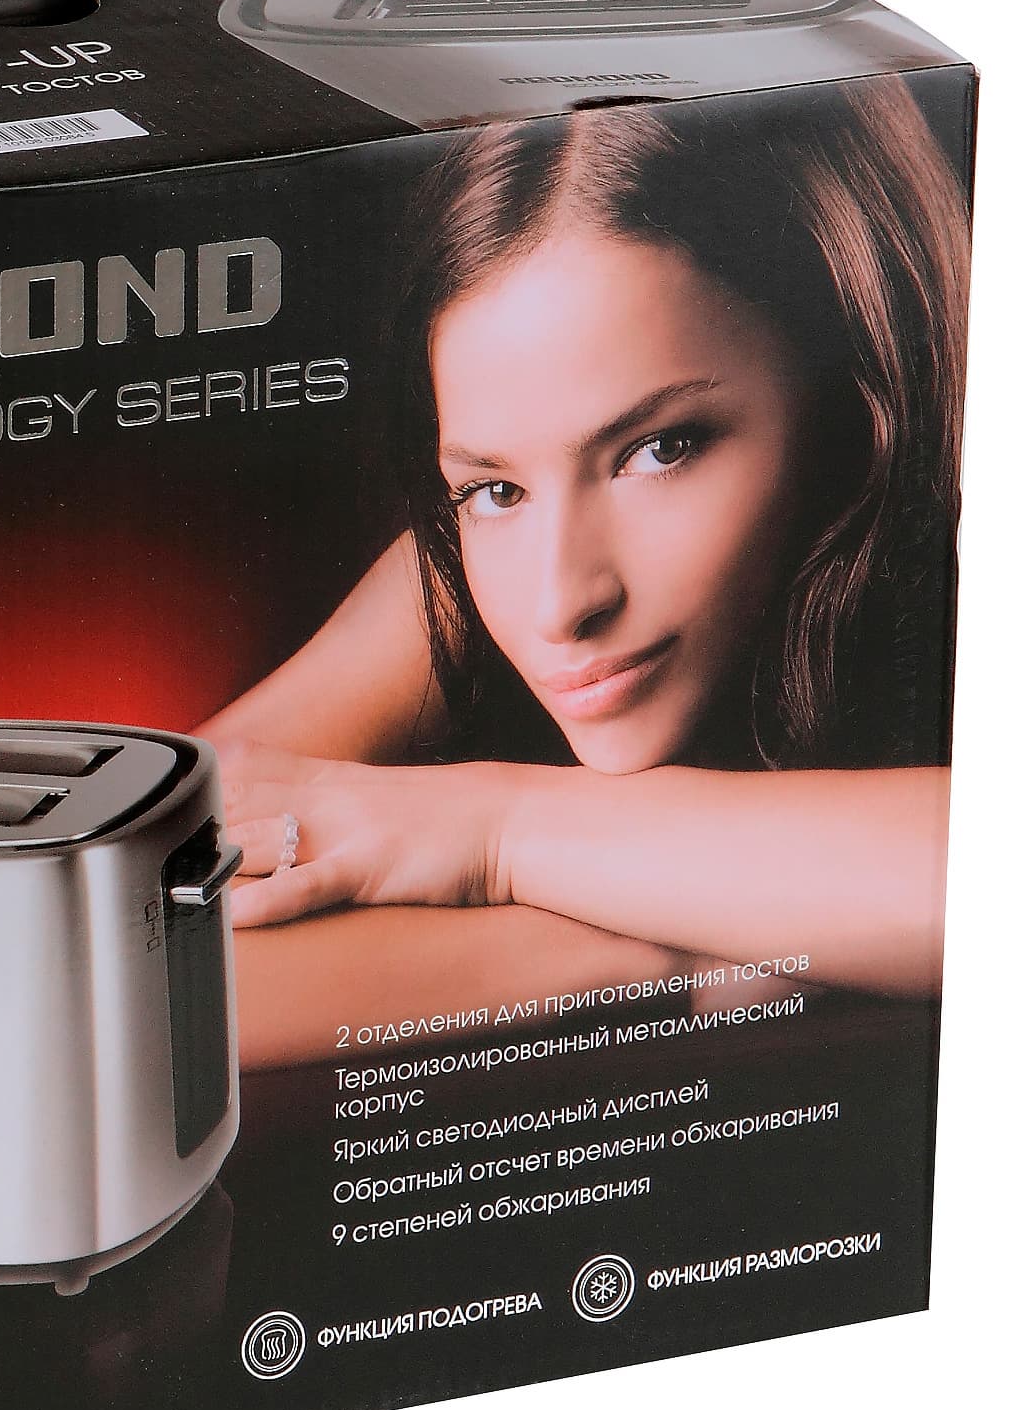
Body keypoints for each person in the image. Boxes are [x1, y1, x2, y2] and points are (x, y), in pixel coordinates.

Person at [202, 79, 968, 1002]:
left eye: (660, 449)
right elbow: (124, 899)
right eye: (495, 489)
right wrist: (699, 937)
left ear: (854, 394)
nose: (560, 602)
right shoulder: (461, 579)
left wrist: (499, 829)